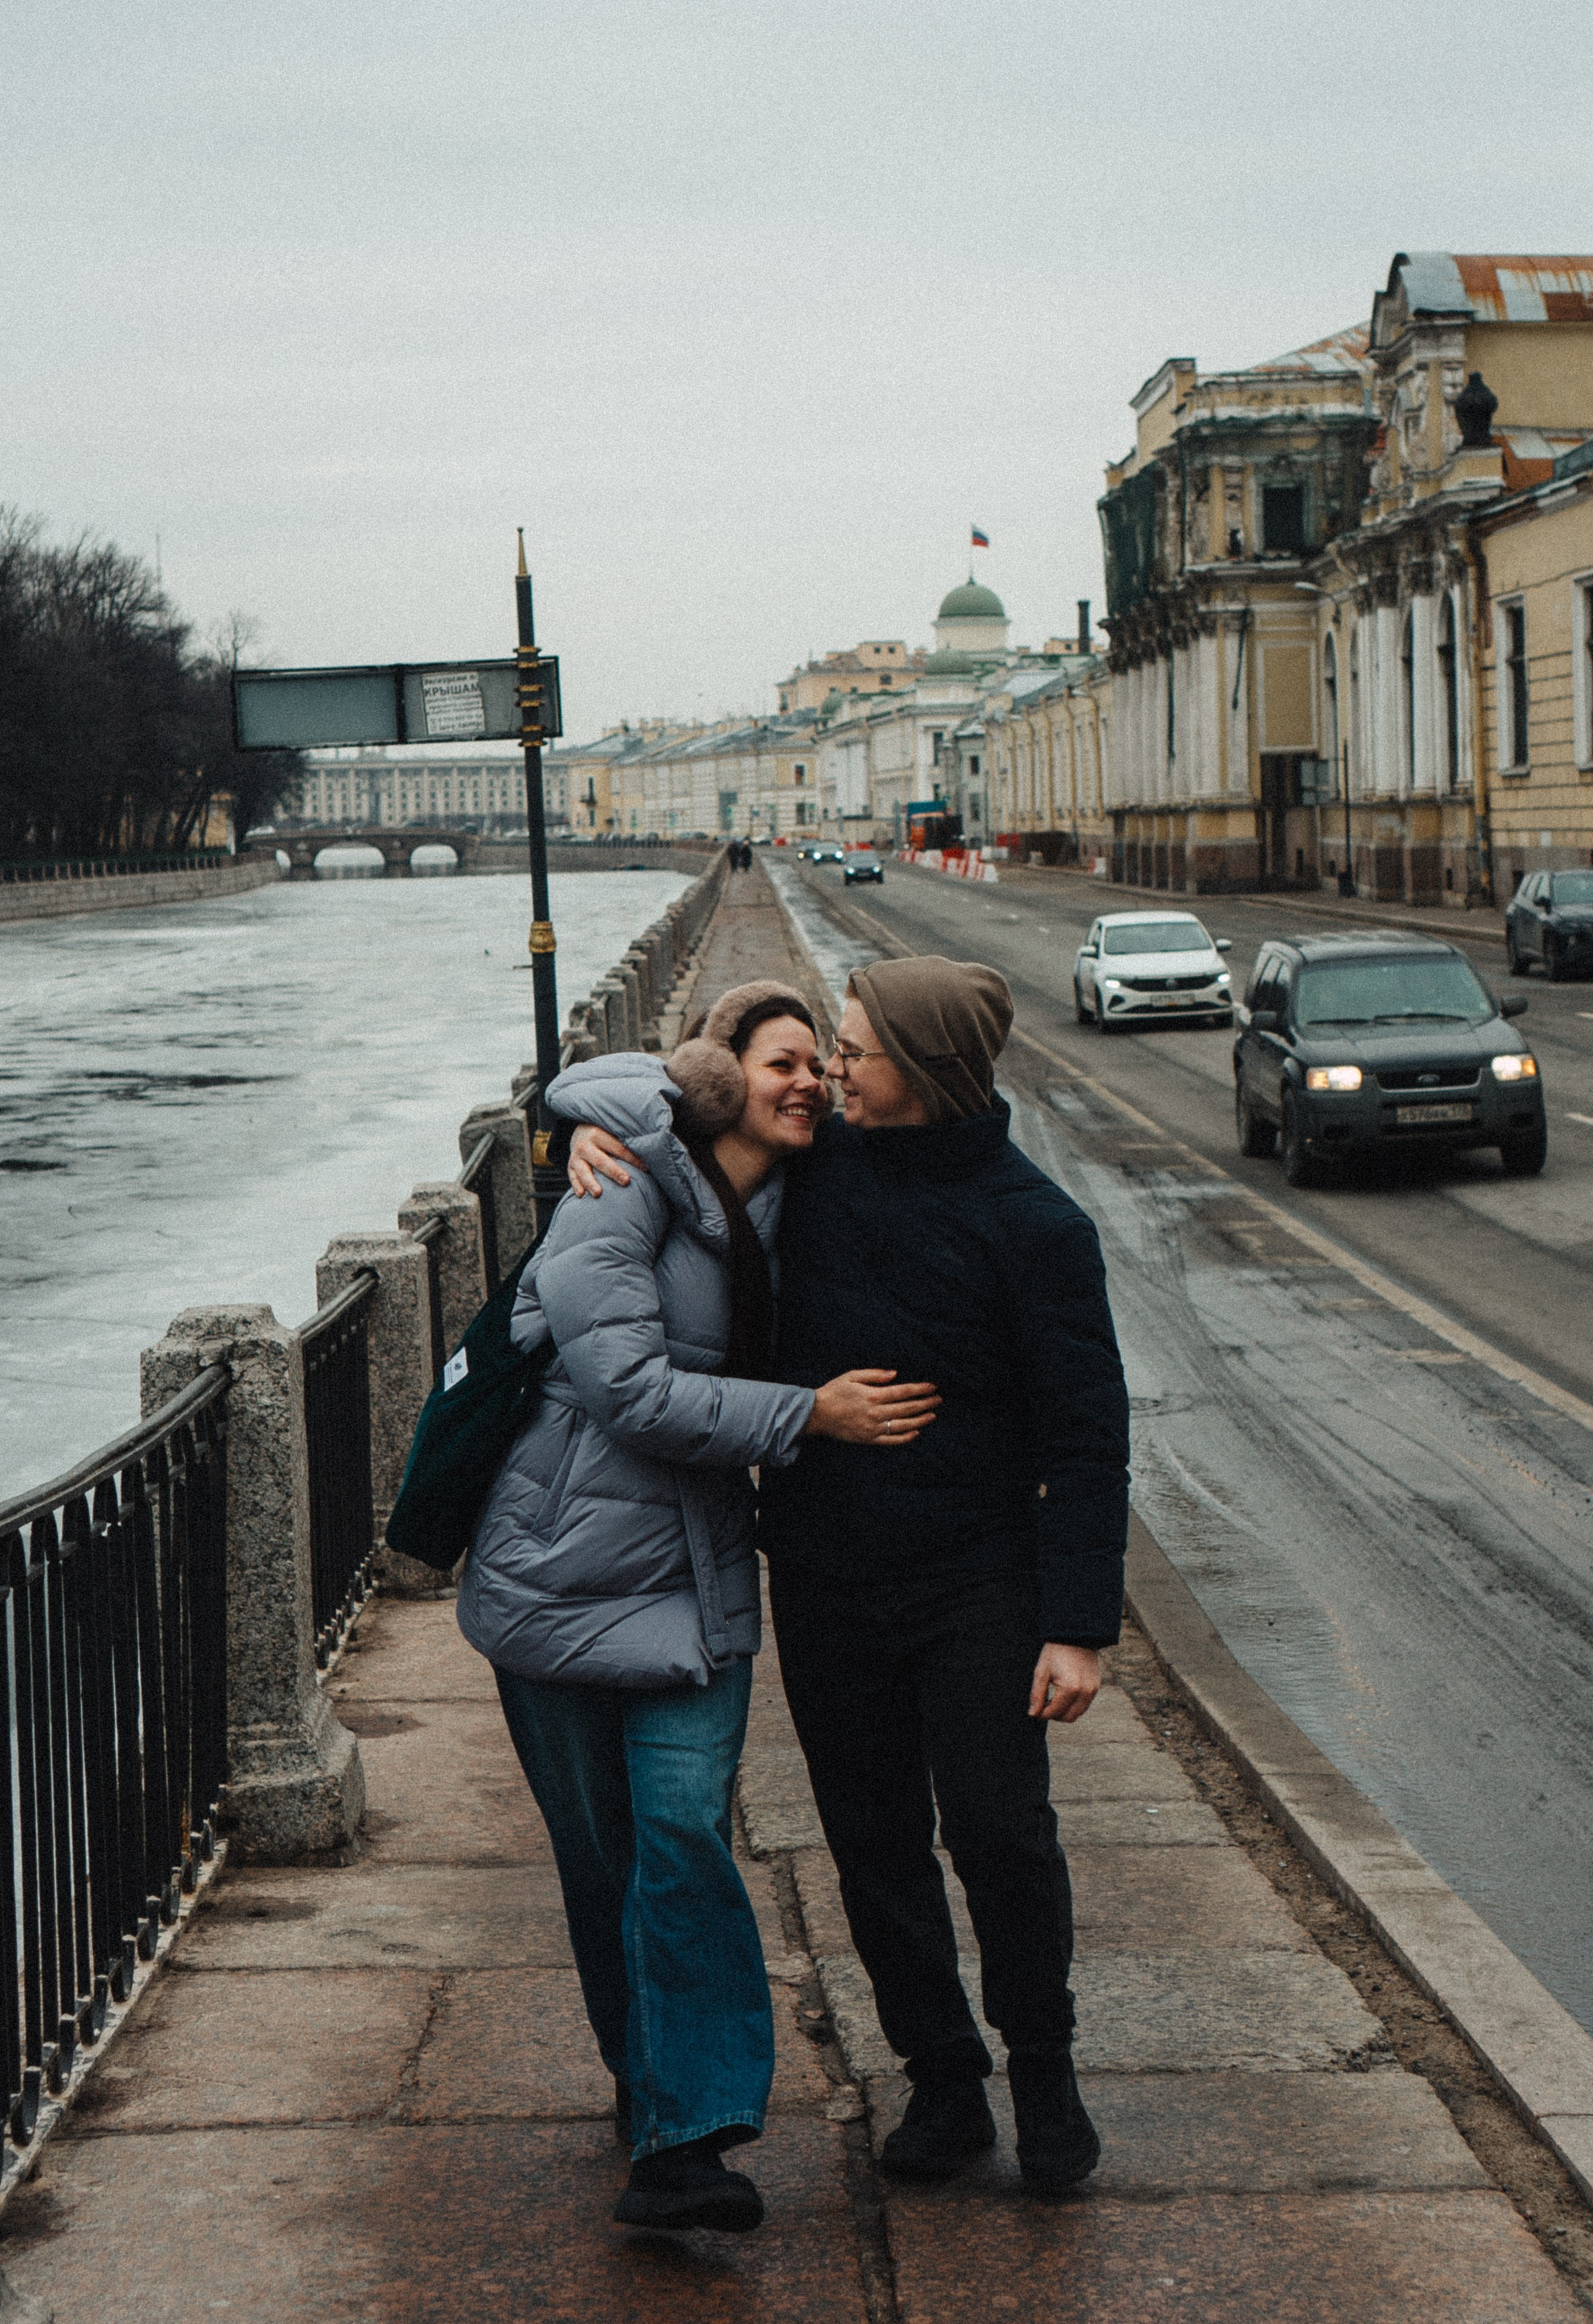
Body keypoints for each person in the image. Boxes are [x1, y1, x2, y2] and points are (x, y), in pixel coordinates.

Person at [568, 954, 1131, 2197]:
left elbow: (1089, 1436)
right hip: (827, 1578)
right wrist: (588, 1142)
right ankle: (942, 2081)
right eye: (828, 1049)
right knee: (872, 1844)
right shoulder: (813, 1175)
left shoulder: (1038, 1228)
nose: (830, 1071)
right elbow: (645, 1094)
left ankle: (1046, 2078)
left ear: (923, 1070)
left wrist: (1079, 1627)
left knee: (1002, 1837)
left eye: (856, 1052)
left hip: (981, 1584)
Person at [458, 981, 937, 2236]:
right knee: (601, 1858)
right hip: (556, 1575)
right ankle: (647, 2088)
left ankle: (689, 2143)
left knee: (682, 1841)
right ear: (716, 1077)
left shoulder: (812, 1196)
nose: (807, 1086)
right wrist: (805, 1415)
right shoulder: (611, 1192)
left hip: (697, 1579)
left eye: (819, 1069)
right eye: (781, 1063)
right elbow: (627, 1388)